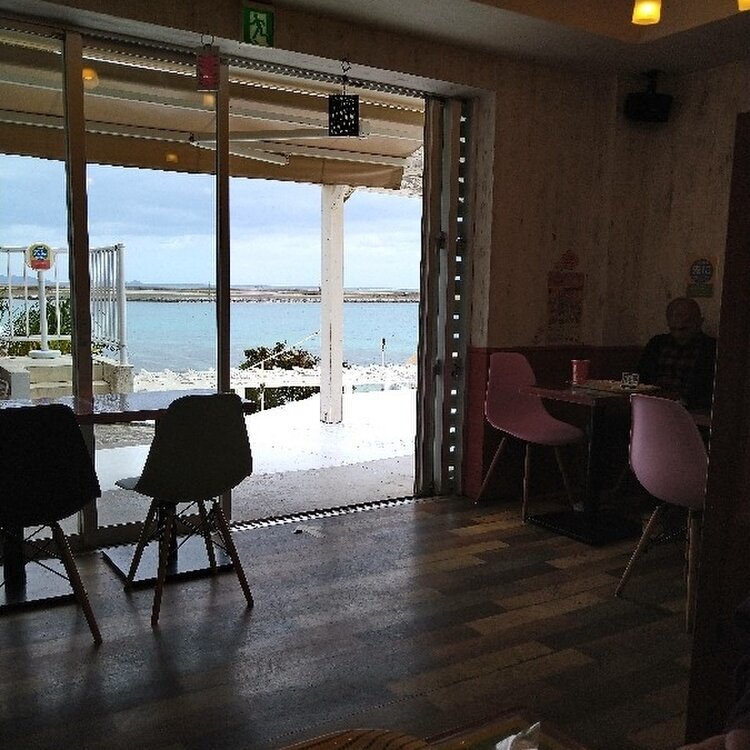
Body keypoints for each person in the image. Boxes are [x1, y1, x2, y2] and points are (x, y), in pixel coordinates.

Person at [637, 297, 717, 410]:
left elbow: (709, 390)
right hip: (655, 404)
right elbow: (641, 378)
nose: (678, 335)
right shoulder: (657, 344)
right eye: (673, 329)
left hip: (692, 408)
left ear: (699, 322)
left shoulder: (711, 348)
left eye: (683, 329)